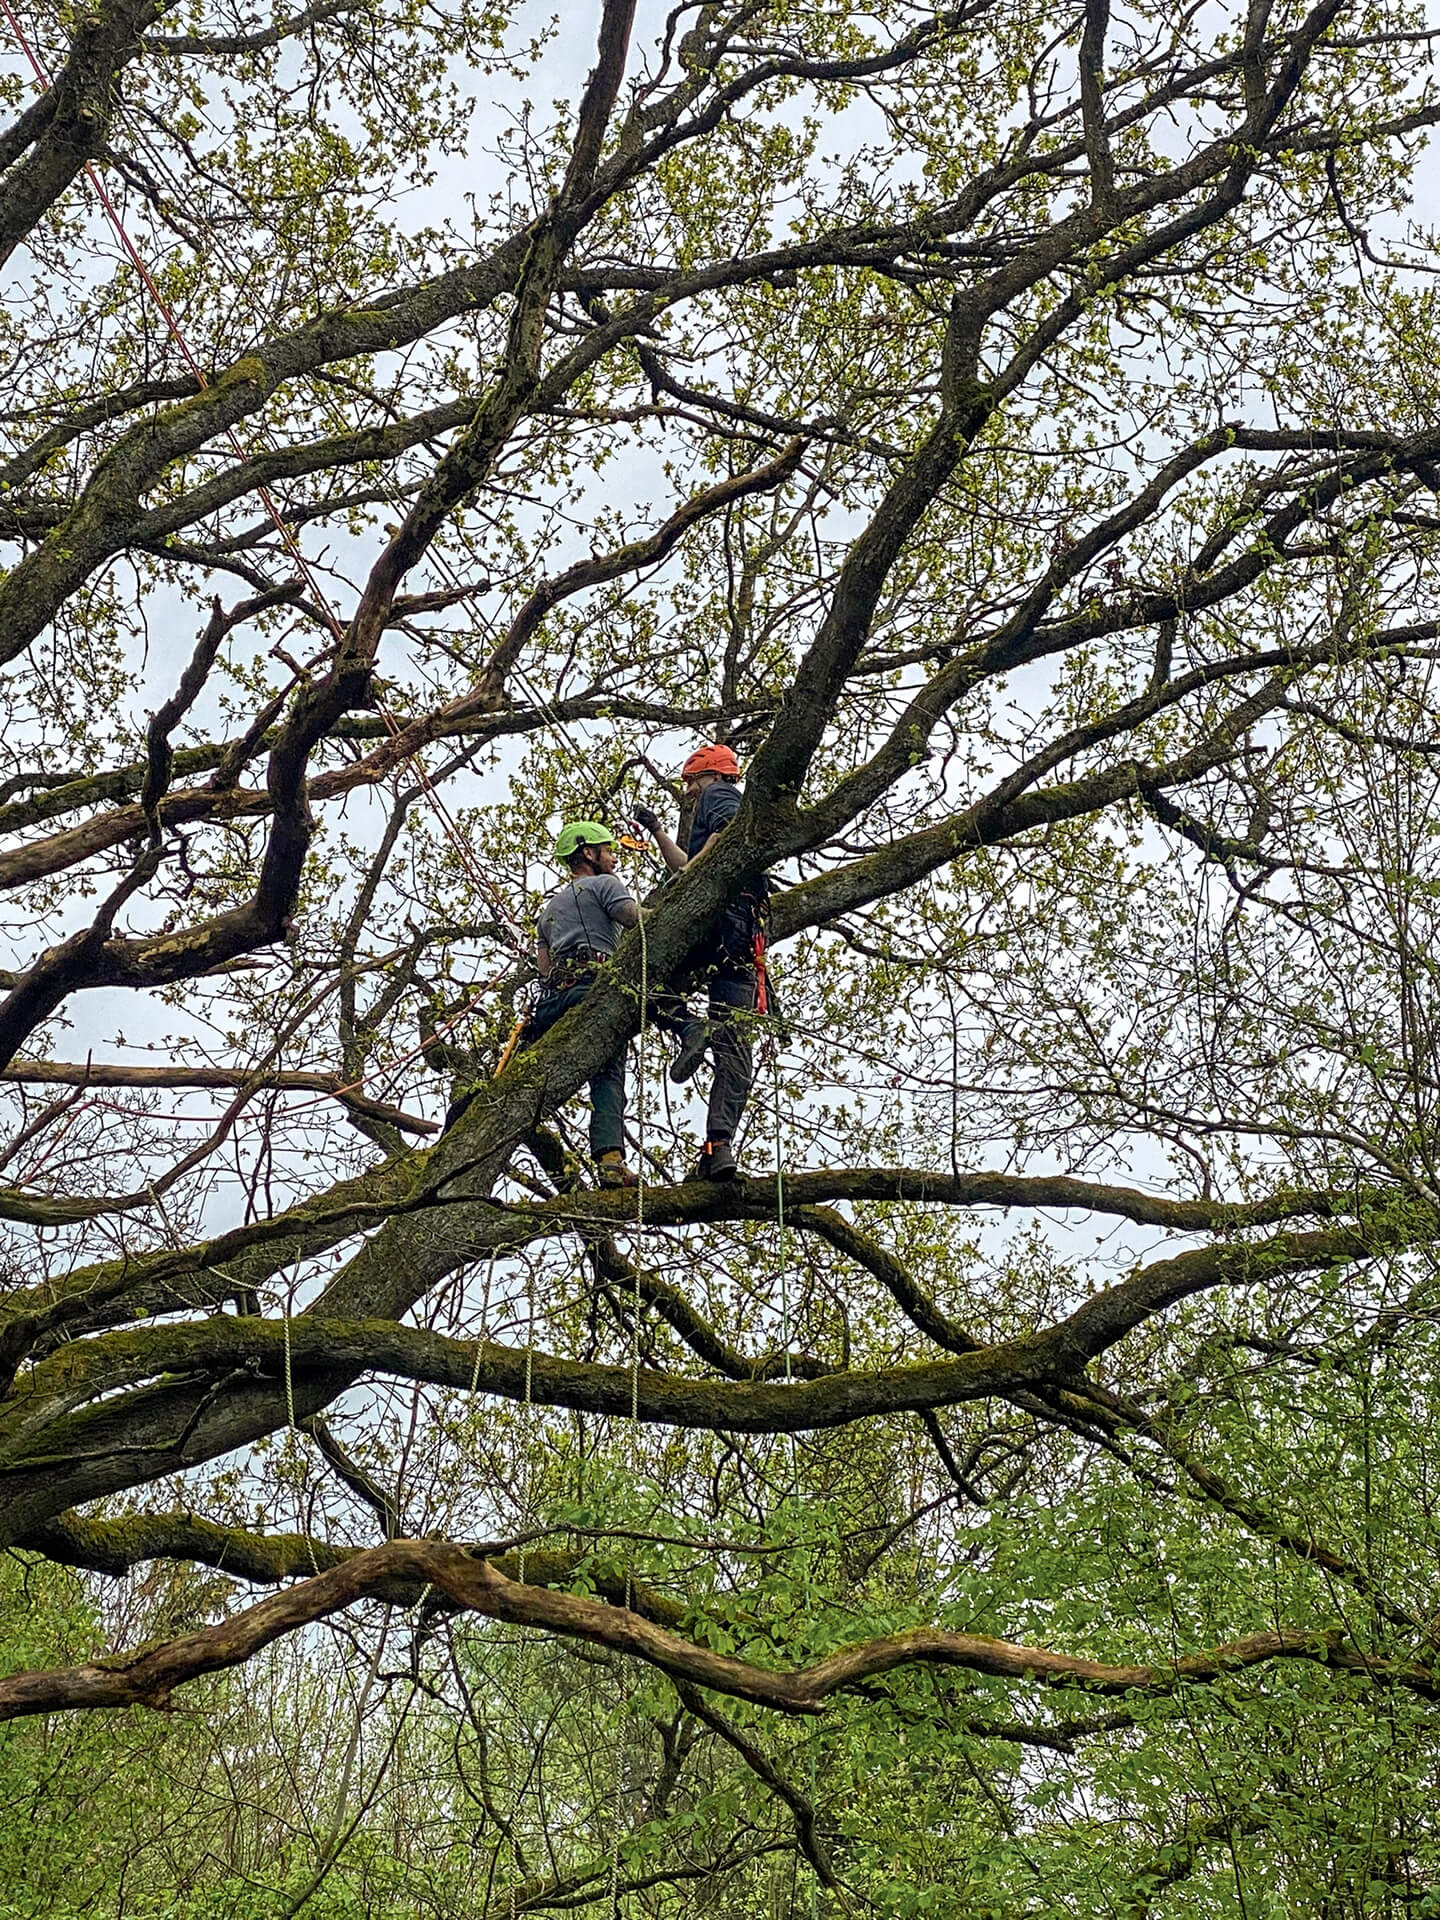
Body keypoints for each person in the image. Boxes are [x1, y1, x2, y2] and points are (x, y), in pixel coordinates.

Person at [632, 744, 766, 1183]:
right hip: (742, 936)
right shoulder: (724, 804)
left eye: (692, 782)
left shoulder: (720, 794)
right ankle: (718, 1146)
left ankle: (690, 1027)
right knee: (735, 1044)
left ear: (710, 775)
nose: (689, 792)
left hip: (716, 921)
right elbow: (688, 864)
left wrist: (691, 878)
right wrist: (657, 830)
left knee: (642, 980)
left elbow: (720, 842)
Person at [525, 821, 640, 1189]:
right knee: (608, 1074)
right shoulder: (605, 885)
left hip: (553, 1001)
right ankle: (610, 1161)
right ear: (588, 853)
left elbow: (544, 968)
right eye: (608, 851)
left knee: (535, 1072)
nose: (614, 859)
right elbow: (633, 920)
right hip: (592, 988)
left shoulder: (548, 911)